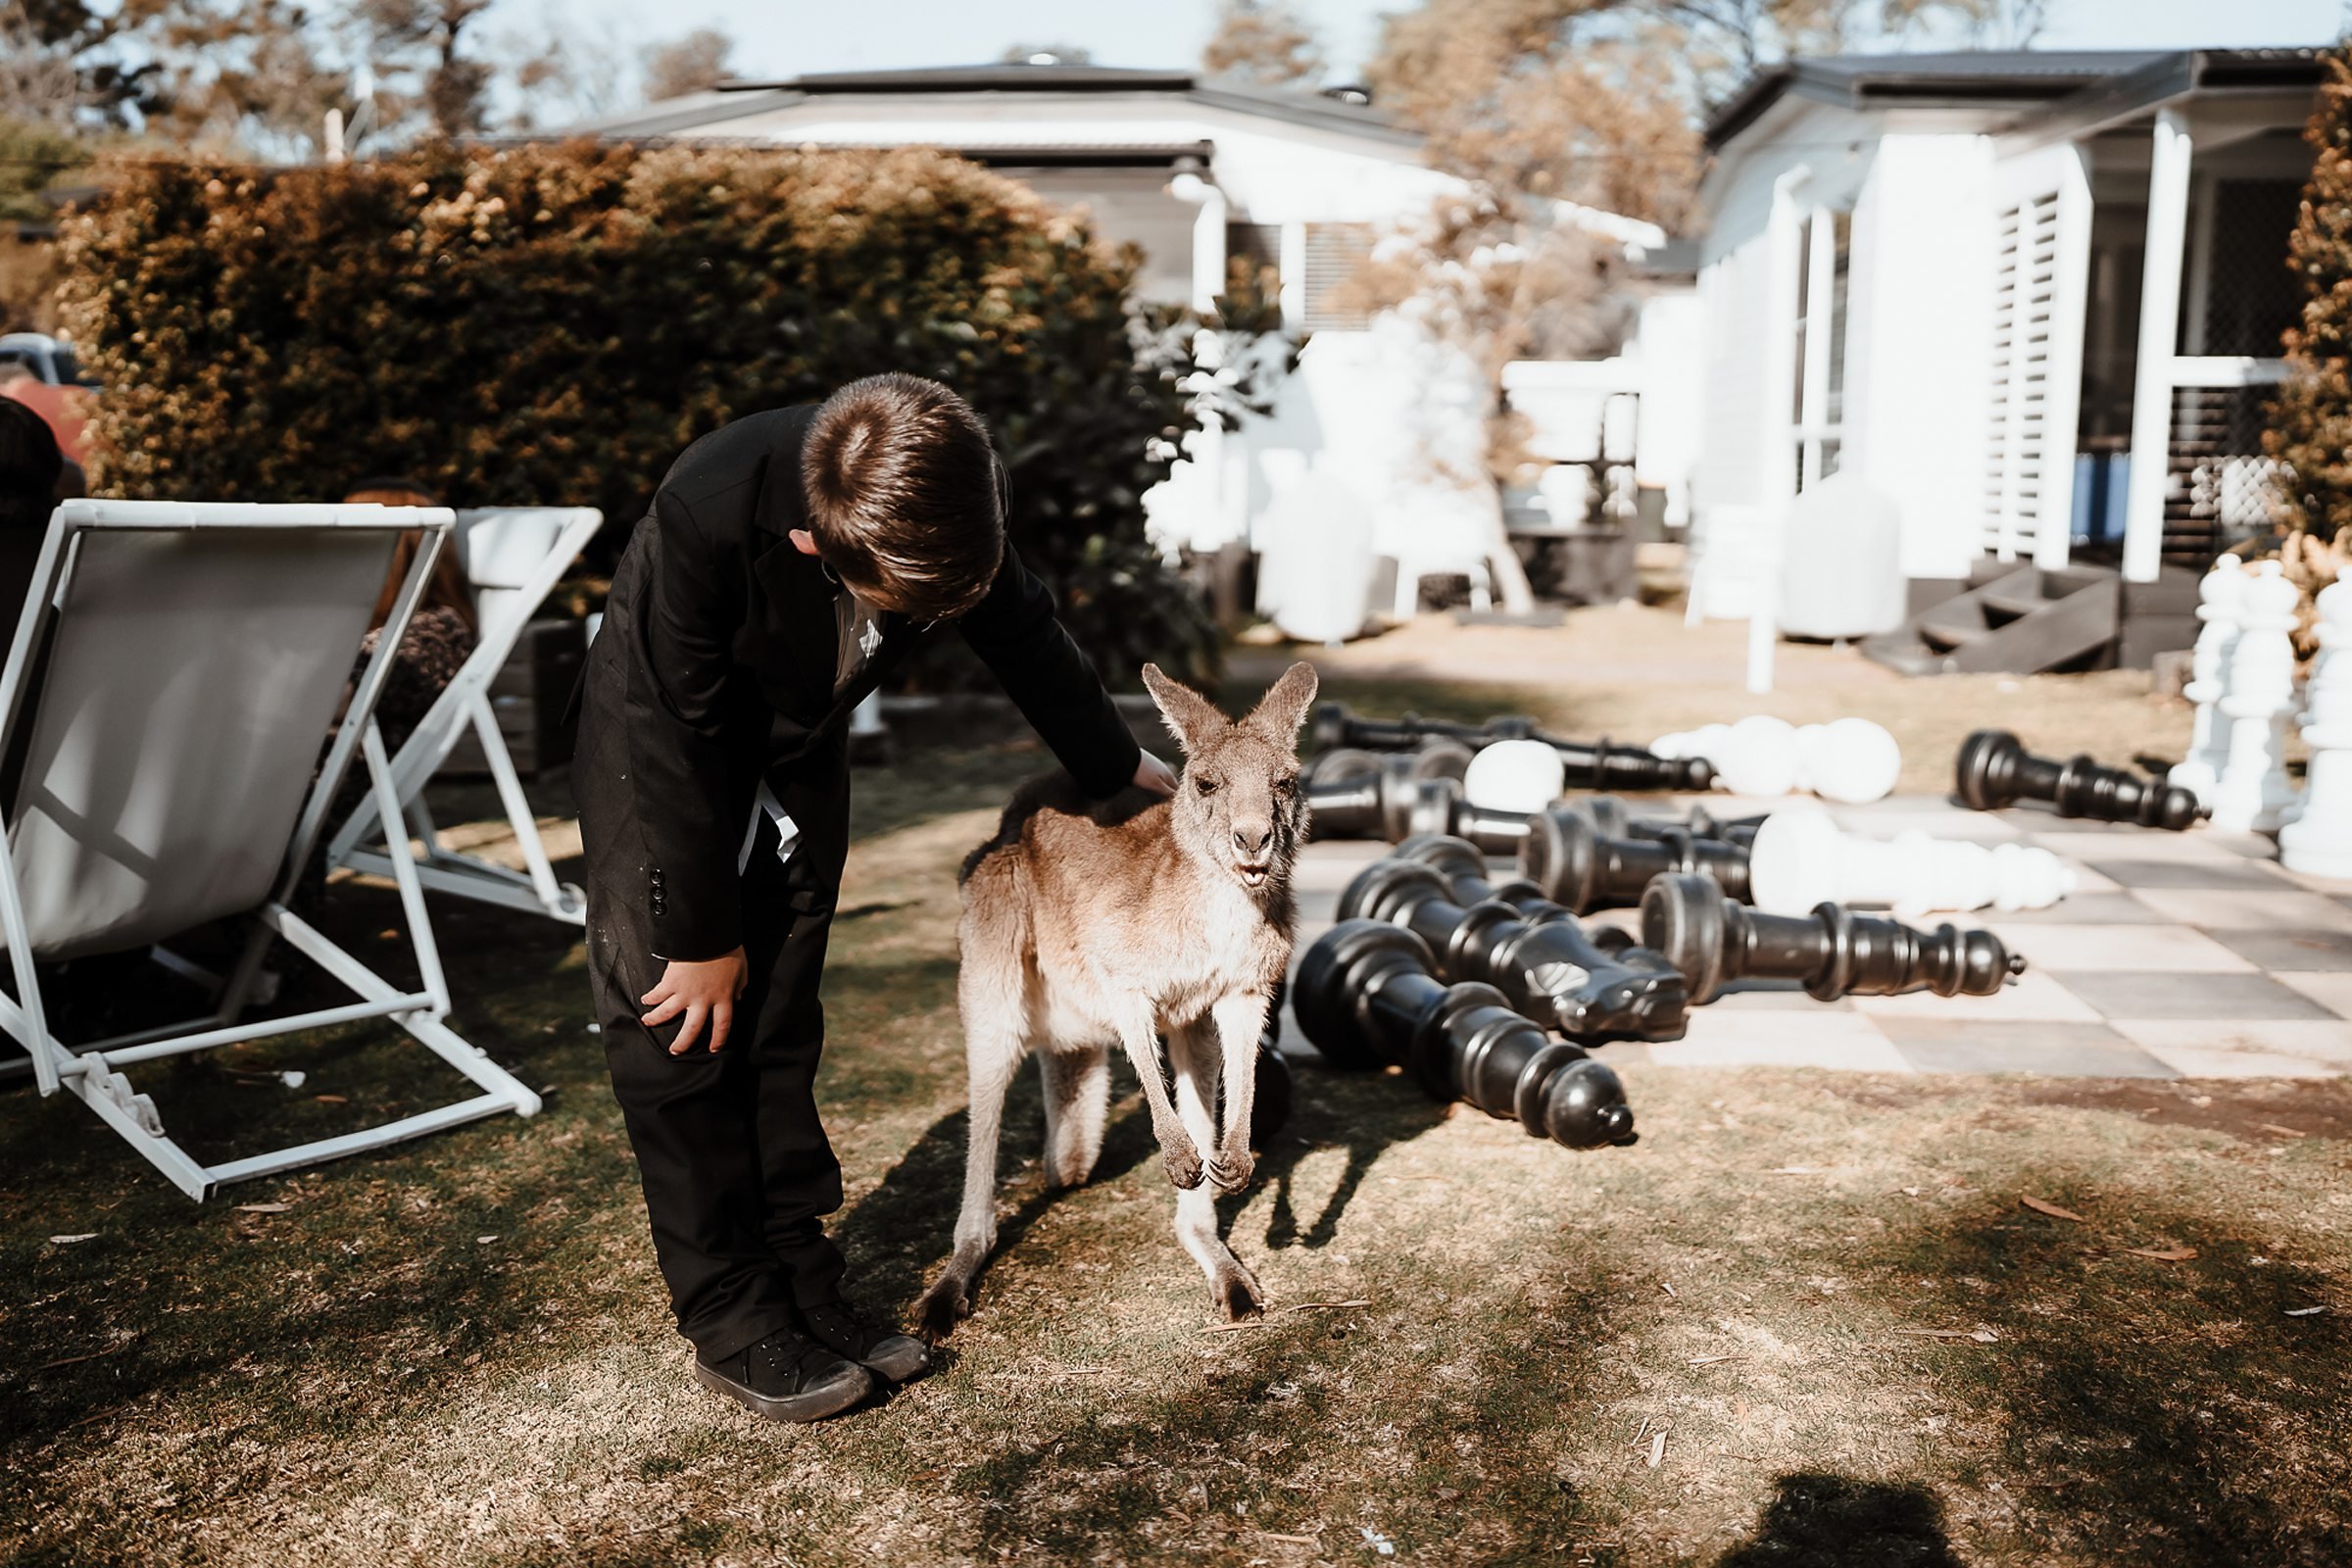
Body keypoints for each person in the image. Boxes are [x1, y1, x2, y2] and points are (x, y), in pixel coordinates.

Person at [571, 374, 1177, 1424]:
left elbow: (1020, 622)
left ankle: (800, 1272)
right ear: (816, 545)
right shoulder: (706, 508)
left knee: (780, 1011)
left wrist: (1115, 759)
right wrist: (703, 933)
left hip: (800, 737)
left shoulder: (932, 472)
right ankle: (730, 1309)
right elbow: (677, 740)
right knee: (680, 1022)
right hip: (661, 741)